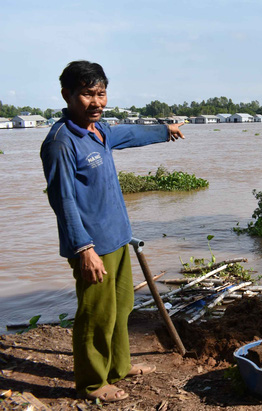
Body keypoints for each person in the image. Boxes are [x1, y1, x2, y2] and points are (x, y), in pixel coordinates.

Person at [40, 61, 185, 402]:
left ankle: (118, 367)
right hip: (92, 245)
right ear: (68, 95)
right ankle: (92, 383)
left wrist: (165, 130)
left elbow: (130, 134)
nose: (96, 102)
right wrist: (83, 248)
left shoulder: (100, 131)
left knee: (121, 306)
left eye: (101, 94)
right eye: (87, 94)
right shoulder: (61, 143)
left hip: (118, 237)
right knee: (96, 315)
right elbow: (63, 201)